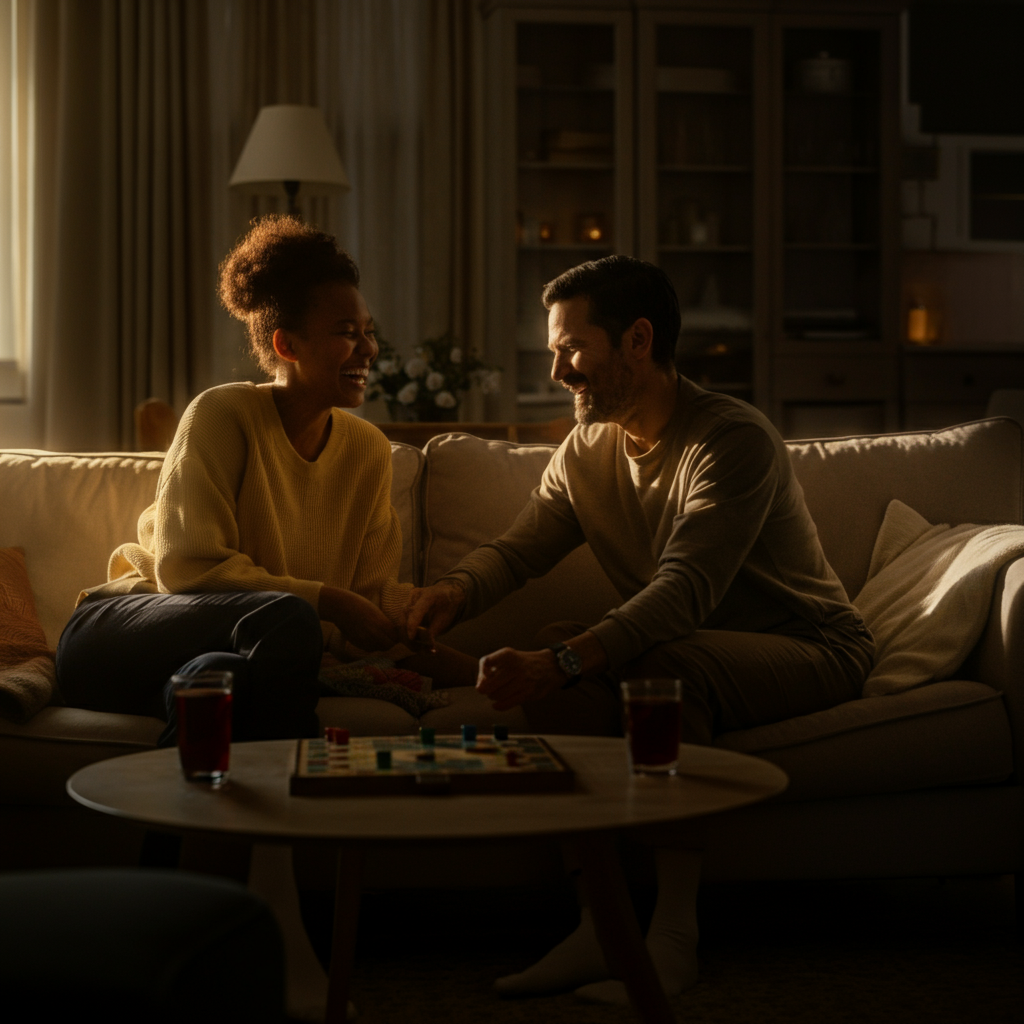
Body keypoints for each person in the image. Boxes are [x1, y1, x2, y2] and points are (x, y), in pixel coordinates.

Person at [404, 254, 874, 1003]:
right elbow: (522, 549)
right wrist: (451, 592)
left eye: (572, 347)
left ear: (637, 341)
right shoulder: (588, 447)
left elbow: (683, 592)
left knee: (652, 666)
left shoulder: (731, 440)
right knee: (571, 637)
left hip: (813, 646)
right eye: (554, 350)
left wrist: (561, 659)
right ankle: (603, 925)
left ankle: (673, 938)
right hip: (676, 645)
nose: (559, 369)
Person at [57, 215, 476, 745]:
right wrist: (330, 602)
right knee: (287, 617)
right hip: (118, 633)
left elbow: (366, 598)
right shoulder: (222, 413)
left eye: (369, 333)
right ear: (286, 346)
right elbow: (186, 568)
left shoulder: (367, 450)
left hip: (227, 651)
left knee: (219, 678)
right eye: (347, 334)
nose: (368, 349)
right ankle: (304, 804)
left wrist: (440, 633)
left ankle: (191, 820)